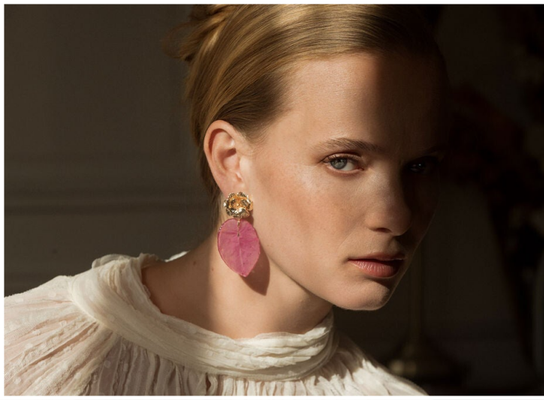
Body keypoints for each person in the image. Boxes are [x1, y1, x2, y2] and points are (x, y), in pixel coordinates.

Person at [5, 4, 448, 395]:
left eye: (420, 166)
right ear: (232, 161)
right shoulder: (30, 356)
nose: (397, 215)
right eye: (343, 161)